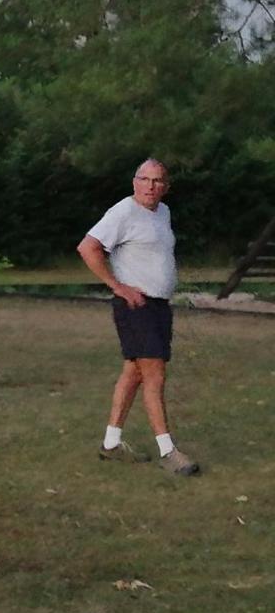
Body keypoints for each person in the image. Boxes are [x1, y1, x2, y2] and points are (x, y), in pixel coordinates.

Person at [76, 158, 199, 476]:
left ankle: (111, 444)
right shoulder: (123, 212)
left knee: (134, 374)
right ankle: (168, 451)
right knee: (154, 375)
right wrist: (118, 286)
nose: (150, 186)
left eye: (157, 181)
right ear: (134, 182)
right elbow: (88, 248)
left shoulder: (163, 213)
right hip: (135, 307)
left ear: (166, 187)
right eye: (145, 179)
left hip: (159, 306)